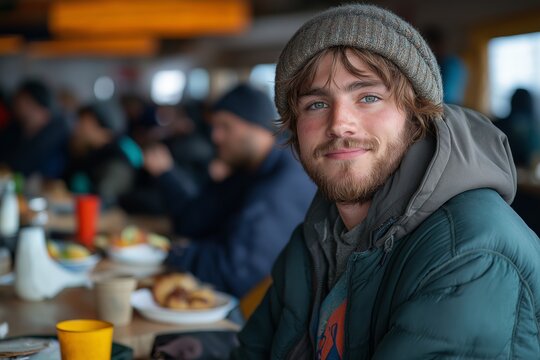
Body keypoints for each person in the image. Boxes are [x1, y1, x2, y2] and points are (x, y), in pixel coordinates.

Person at [232, 5, 540, 359]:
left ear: (416, 116)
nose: (339, 123)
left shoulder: (470, 253)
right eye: (316, 104)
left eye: (368, 97)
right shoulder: (317, 235)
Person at [144, 84, 316, 298]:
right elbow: (192, 221)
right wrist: (167, 177)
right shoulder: (248, 170)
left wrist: (172, 253)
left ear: (258, 127)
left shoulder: (283, 184)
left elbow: (235, 273)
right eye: (215, 127)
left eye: (225, 126)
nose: (215, 137)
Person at [64, 102, 143, 207]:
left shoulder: (117, 159)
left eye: (83, 123)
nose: (77, 128)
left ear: (103, 128)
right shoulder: (88, 152)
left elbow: (104, 200)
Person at [0, 79, 69, 179]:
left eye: (21, 100)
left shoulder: (57, 132)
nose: (16, 104)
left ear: (32, 102)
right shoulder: (15, 127)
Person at [494, 88, 540, 168]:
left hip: (498, 169)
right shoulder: (534, 131)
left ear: (511, 102)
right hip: (524, 173)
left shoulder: (496, 126)